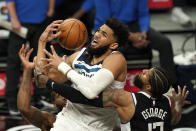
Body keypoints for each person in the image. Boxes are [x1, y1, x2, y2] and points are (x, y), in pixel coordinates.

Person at [20, 44, 190, 131]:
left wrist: (49, 82)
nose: (143, 71)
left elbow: (85, 96)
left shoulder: (127, 98)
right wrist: (178, 105)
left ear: (147, 86)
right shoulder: (167, 102)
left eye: (147, 73)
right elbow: (173, 120)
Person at [35, 18, 129, 130]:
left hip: (98, 126)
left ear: (113, 45)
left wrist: (62, 66)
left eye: (104, 34)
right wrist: (42, 42)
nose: (97, 35)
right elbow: (41, 80)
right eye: (98, 30)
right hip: (68, 120)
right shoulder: (78, 56)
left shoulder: (116, 59)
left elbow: (92, 91)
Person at [73, 0, 177, 88]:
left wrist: (143, 34)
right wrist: (132, 37)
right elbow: (105, 20)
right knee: (116, 51)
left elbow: (143, 14)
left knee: (165, 43)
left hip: (133, 25)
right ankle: (109, 88)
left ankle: (170, 86)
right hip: (109, 27)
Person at [5, 0, 55, 115]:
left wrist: (51, 8)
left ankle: (40, 97)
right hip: (20, 22)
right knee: (14, 62)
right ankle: (11, 101)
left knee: (40, 61)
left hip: (41, 21)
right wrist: (13, 18)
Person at [18, 44, 66, 131]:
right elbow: (24, 108)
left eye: (66, 94)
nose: (64, 97)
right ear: (54, 104)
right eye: (59, 95)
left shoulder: (88, 114)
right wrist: (27, 70)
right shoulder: (51, 121)